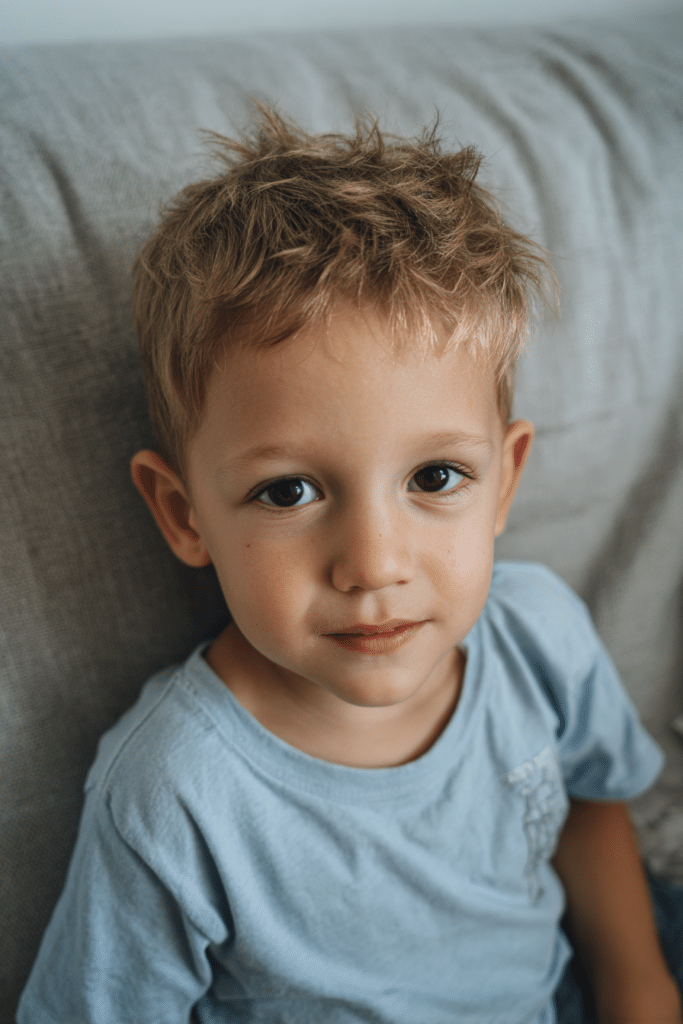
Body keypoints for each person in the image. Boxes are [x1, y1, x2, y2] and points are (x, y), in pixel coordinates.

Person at [17, 109, 683, 1024]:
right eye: (288, 493)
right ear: (183, 514)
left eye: (435, 477)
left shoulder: (538, 634)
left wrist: (639, 990)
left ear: (503, 482)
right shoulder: (174, 792)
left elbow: (588, 804)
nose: (372, 564)